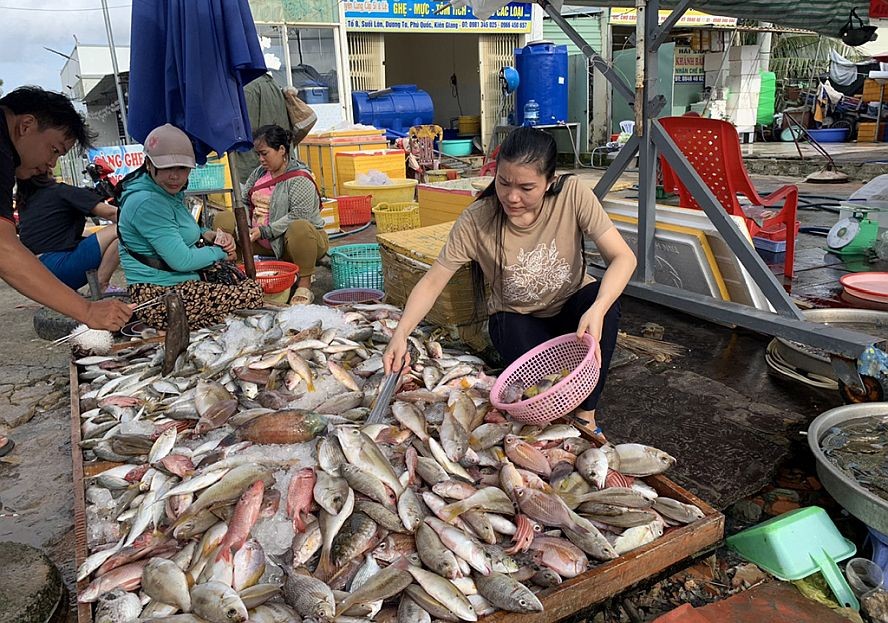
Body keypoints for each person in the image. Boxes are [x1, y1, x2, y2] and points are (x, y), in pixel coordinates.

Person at [382, 127, 637, 438]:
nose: (512, 197)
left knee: (606, 305)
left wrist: (597, 308)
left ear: (549, 183)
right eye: (503, 183)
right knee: (538, 389)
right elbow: (434, 280)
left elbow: (624, 258)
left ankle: (587, 415)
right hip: (518, 318)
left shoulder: (572, 195)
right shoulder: (478, 219)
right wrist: (401, 333)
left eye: (526, 187)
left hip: (574, 309)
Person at [0, 86, 132, 458]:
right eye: (55, 149)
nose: (52, 163)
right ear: (26, 125)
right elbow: (5, 250)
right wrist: (87, 310)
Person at [117, 124, 265, 329]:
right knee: (251, 295)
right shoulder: (147, 202)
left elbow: (184, 230)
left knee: (245, 286)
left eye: (182, 168)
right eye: (168, 168)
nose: (175, 176)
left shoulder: (165, 191)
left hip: (180, 283)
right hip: (160, 295)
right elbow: (182, 260)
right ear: (149, 165)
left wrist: (210, 235)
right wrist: (219, 252)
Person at [215, 124, 328, 305]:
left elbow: (300, 215)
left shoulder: (300, 178)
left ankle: (304, 285)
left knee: (299, 227)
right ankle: (234, 272)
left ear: (282, 150)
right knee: (223, 219)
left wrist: (264, 231)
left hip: (294, 244)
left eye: (264, 153)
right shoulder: (259, 173)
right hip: (261, 243)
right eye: (258, 154)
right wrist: (246, 228)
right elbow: (243, 200)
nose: (260, 159)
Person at [16, 174, 120, 293]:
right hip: (61, 269)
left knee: (88, 234)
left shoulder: (26, 200)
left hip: (38, 276)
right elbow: (113, 214)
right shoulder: (60, 191)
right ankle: (101, 286)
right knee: (123, 229)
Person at [230, 72, 292, 188]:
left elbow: (243, 132)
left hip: (255, 168)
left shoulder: (248, 88)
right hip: (279, 165)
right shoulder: (271, 82)